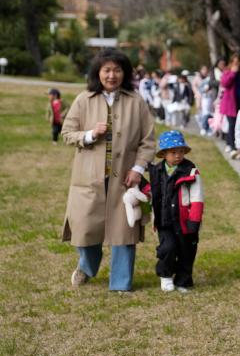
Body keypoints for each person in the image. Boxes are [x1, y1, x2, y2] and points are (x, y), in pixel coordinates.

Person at [61, 48, 157, 292]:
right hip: (89, 177)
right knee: (86, 226)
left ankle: (121, 283)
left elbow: (148, 141)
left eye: (117, 70)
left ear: (124, 73)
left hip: (125, 177)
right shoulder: (84, 99)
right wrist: (91, 134)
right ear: (98, 72)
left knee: (124, 228)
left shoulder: (136, 102)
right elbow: (67, 133)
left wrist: (138, 168)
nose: (112, 75)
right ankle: (87, 266)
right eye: (107, 70)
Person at [145, 131, 203, 292]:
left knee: (187, 251)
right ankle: (166, 275)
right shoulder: (156, 172)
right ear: (163, 154)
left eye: (181, 152)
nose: (178, 155)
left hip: (185, 221)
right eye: (173, 152)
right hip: (165, 221)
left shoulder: (191, 172)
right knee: (167, 248)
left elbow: (197, 199)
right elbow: (153, 193)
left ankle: (183, 281)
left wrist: (194, 221)